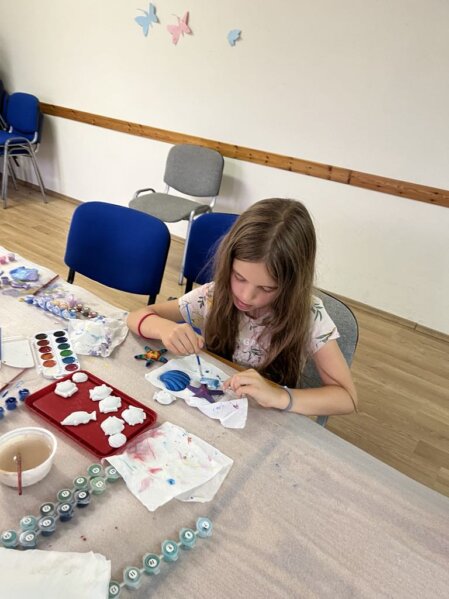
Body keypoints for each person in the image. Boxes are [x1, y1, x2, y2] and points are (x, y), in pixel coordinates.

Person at [127, 198, 357, 416]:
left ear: (292, 286)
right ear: (228, 264)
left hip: (267, 417)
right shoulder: (213, 295)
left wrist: (279, 396)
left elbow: (347, 398)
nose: (246, 296)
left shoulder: (310, 316)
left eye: (267, 288)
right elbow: (136, 317)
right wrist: (164, 328)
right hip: (213, 408)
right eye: (239, 277)